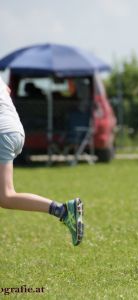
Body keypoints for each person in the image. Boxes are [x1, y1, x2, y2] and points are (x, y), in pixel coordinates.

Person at [0, 76, 84, 246]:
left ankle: (63, 211)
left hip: (2, 132)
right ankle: (62, 210)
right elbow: (7, 90)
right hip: (14, 130)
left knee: (6, 196)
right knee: (5, 196)